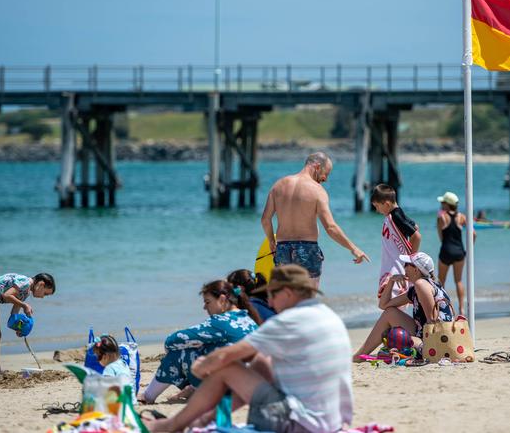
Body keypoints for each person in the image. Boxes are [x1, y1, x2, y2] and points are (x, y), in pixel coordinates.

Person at [143, 265, 354, 433]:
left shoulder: (288, 321)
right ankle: (206, 419)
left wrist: (201, 366)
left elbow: (225, 356)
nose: (269, 301)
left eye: (272, 294)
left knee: (227, 368)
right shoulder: (328, 316)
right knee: (263, 362)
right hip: (332, 420)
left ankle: (170, 426)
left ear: (288, 293)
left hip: (301, 424)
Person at [138, 280, 259, 404]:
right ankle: (193, 389)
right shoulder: (248, 319)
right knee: (209, 348)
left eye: (207, 302)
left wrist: (195, 345)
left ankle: (148, 397)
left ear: (222, 299)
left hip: (228, 385)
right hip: (248, 381)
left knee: (179, 353)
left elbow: (172, 340)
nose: (205, 307)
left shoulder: (220, 322)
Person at [261, 152, 369, 287]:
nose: (325, 179)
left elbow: (265, 219)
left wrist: (272, 241)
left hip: (282, 249)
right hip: (306, 250)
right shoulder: (317, 190)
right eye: (326, 174)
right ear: (317, 166)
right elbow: (330, 227)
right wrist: (353, 248)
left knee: (286, 298)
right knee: (307, 299)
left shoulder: (278, 186)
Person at [353, 252, 453, 361]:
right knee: (390, 313)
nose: (404, 267)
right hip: (426, 333)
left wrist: (411, 341)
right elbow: (384, 305)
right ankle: (360, 354)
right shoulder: (420, 287)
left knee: (396, 340)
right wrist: (391, 281)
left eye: (406, 264)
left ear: (416, 270)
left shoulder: (421, 284)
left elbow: (433, 322)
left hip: (437, 340)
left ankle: (360, 355)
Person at [0, 272, 56, 380]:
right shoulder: (25, 283)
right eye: (45, 294)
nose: (43, 297)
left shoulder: (25, 293)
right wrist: (24, 305)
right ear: (41, 284)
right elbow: (6, 295)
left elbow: (14, 315)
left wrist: (18, 327)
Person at [371, 184, 421, 301]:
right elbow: (415, 227)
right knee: (389, 305)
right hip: (393, 264)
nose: (377, 210)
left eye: (377, 206)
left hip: (397, 266)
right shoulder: (396, 214)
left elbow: (417, 236)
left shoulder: (396, 216)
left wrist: (410, 261)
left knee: (388, 304)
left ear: (387, 204)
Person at [436, 191, 475, 316]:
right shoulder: (462, 217)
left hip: (446, 250)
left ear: (447, 204)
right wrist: (469, 249)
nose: (441, 204)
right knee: (458, 281)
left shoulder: (441, 217)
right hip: (459, 252)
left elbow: (441, 237)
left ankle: (444, 308)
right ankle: (462, 309)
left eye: (443, 202)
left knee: (441, 282)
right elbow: (473, 234)